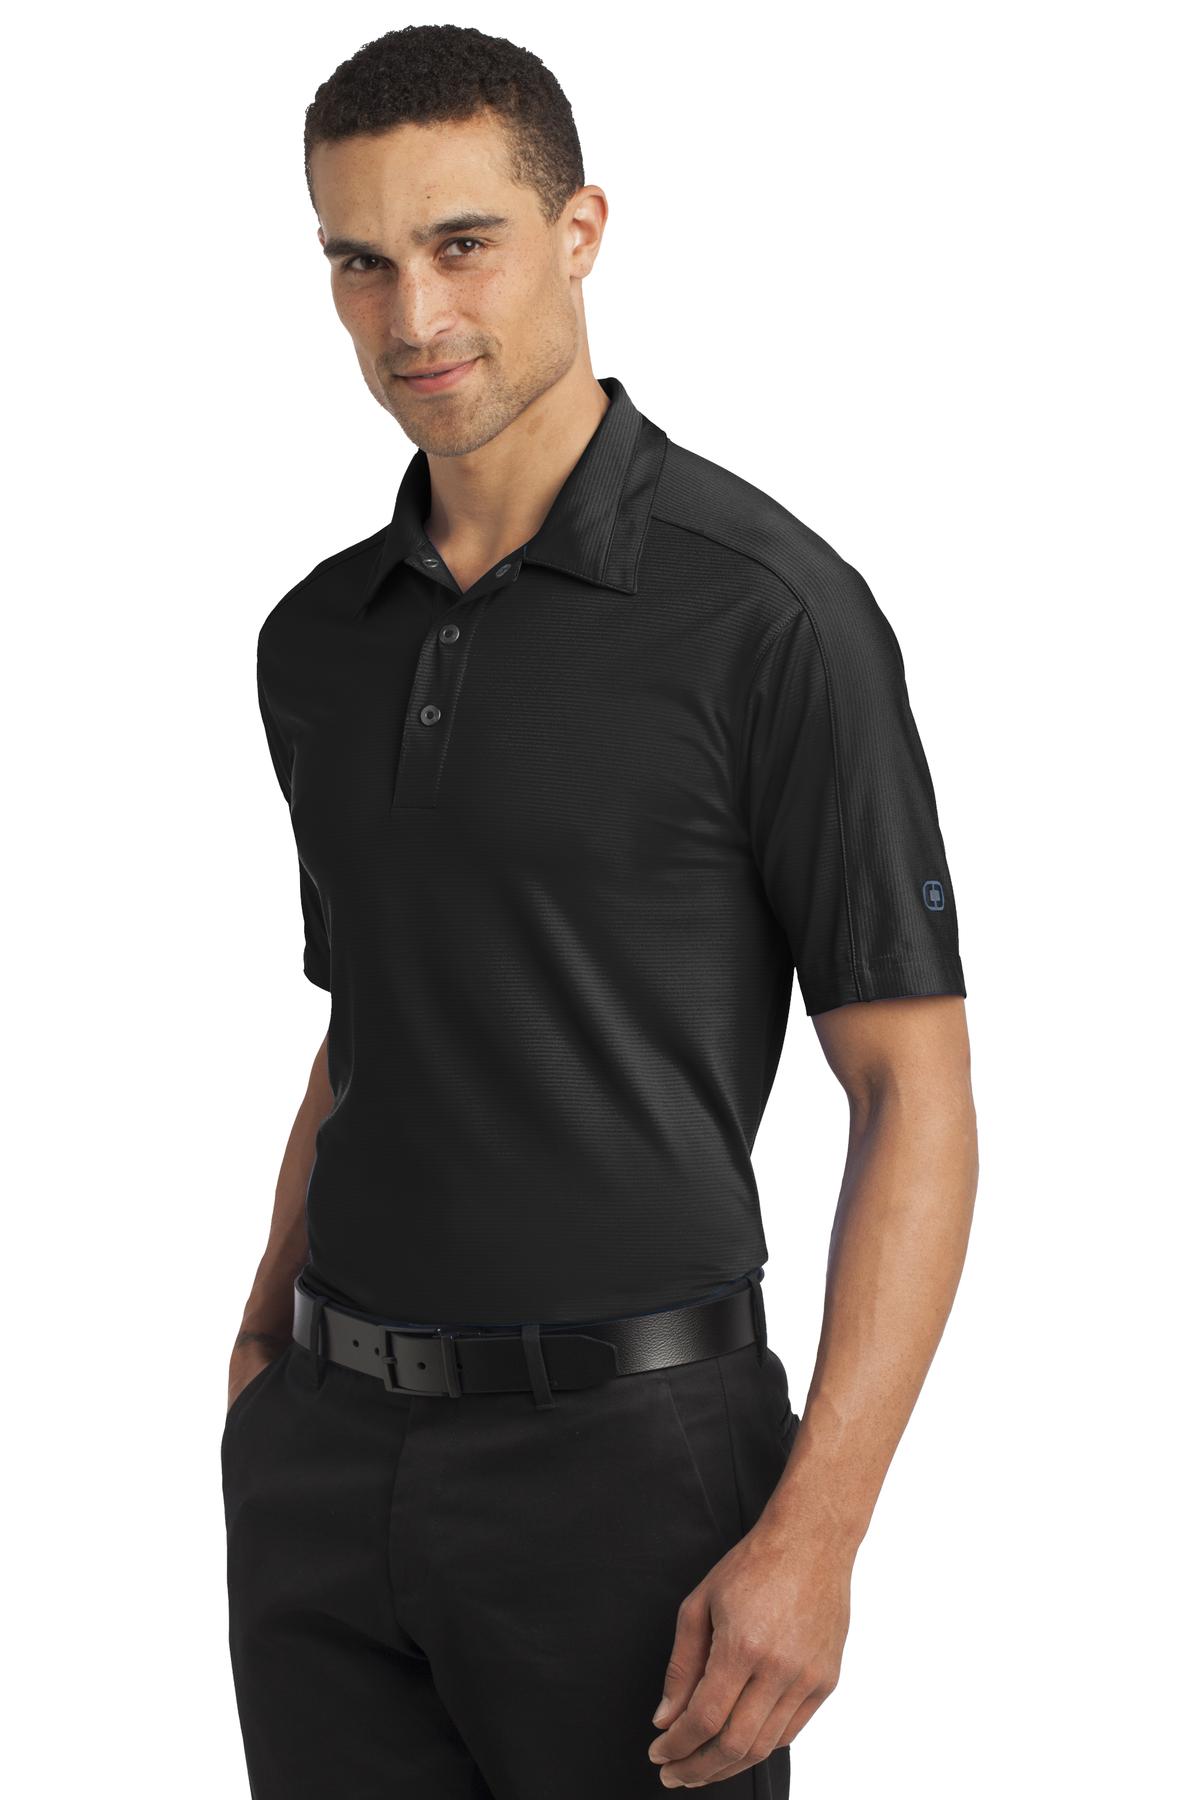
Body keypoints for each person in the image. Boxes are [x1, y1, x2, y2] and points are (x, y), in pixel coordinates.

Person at [221, 22, 978, 1799]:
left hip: (634, 1478)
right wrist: (262, 1345)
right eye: (360, 261)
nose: (413, 317)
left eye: (462, 243)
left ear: (580, 233)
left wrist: (819, 1534)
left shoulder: (769, 616)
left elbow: (914, 1094)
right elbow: (370, 1025)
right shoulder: (316, 641)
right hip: (324, 1466)